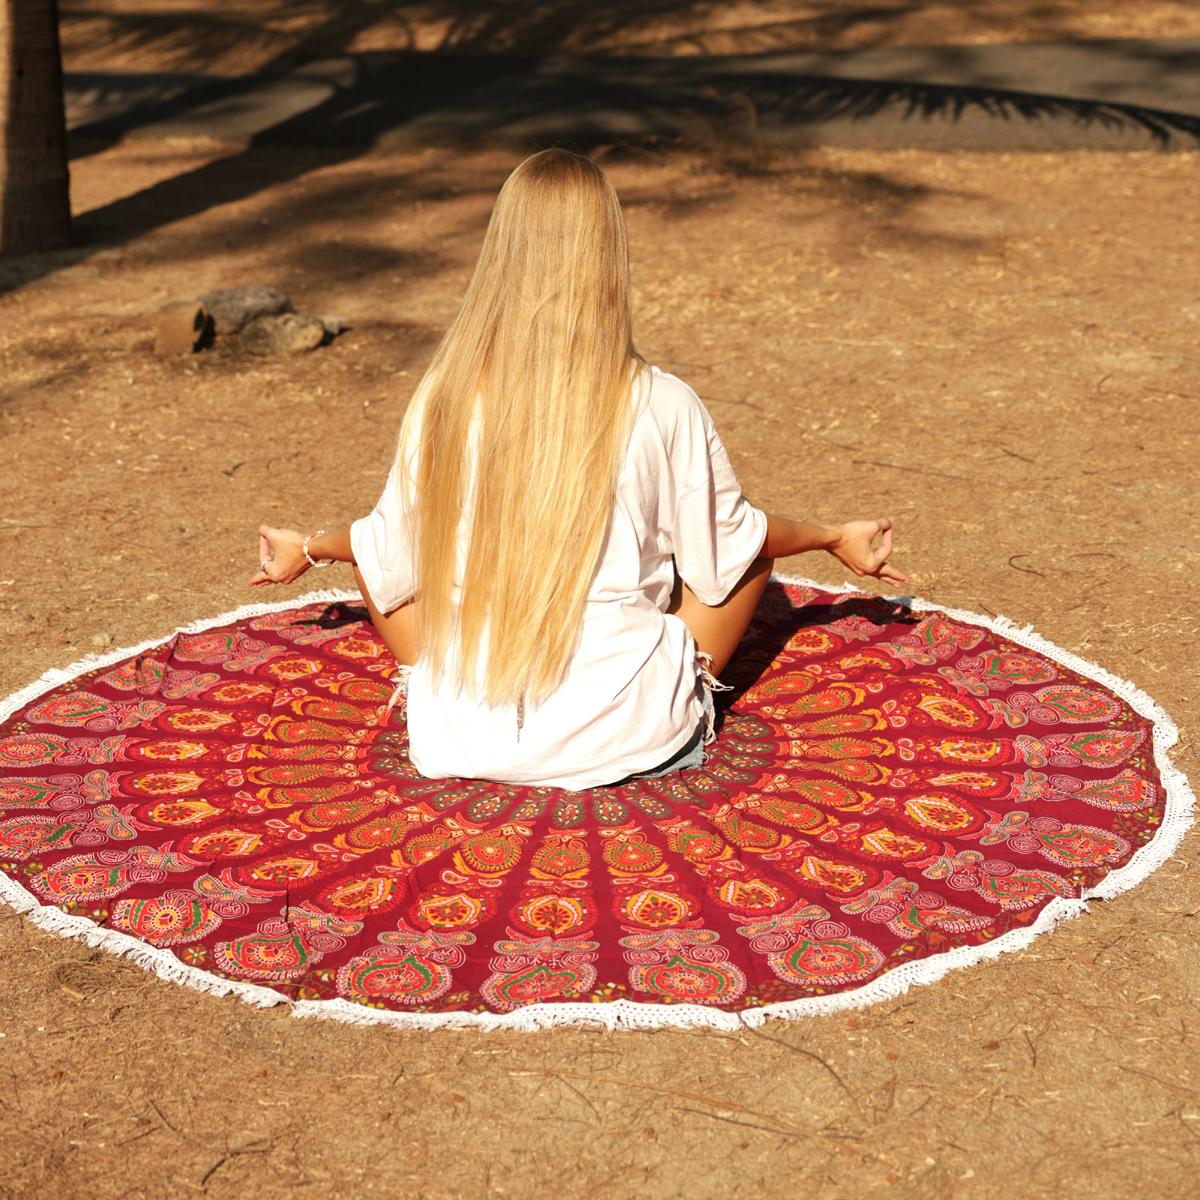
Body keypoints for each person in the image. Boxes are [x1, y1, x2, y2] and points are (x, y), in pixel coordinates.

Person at [249, 148, 907, 792]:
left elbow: (381, 548)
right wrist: (828, 536)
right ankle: (673, 695)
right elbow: (733, 548)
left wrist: (309, 548)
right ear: (607, 260)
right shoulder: (663, 401)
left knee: (378, 551)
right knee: (744, 551)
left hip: (459, 738)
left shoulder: (442, 400)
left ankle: (459, 698)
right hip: (632, 734)